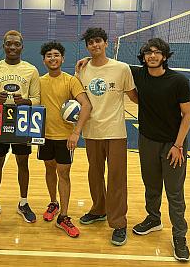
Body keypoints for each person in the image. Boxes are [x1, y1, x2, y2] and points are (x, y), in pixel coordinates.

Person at [131, 38, 190, 262]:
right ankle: (153, 219)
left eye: (157, 52)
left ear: (165, 56)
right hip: (147, 141)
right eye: (148, 52)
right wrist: (89, 59)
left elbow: (187, 114)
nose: (152, 55)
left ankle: (180, 237)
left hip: (172, 145)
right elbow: (111, 66)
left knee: (174, 193)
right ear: (144, 56)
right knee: (151, 185)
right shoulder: (139, 75)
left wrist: (178, 145)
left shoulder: (178, 81)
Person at [75, 27, 137, 246]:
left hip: (115, 131)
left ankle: (119, 222)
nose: (95, 45)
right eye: (91, 43)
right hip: (91, 131)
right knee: (95, 174)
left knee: (117, 178)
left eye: (98, 41)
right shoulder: (81, 69)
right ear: (87, 46)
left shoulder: (121, 68)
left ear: (106, 43)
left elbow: (135, 97)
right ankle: (99, 209)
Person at [0, 30, 40, 224]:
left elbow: (36, 99)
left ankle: (23, 203)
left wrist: (24, 101)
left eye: (16, 44)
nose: (13, 47)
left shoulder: (31, 70)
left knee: (23, 164)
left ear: (22, 46)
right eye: (9, 44)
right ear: (4, 45)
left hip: (22, 123)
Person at [38, 41, 91, 237]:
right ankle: (53, 202)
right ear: (44, 60)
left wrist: (76, 132)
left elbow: (85, 105)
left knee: (64, 174)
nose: (53, 58)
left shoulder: (71, 80)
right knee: (49, 169)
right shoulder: (40, 81)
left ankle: (64, 216)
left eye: (56, 55)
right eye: (49, 55)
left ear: (62, 58)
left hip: (65, 138)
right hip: (44, 136)